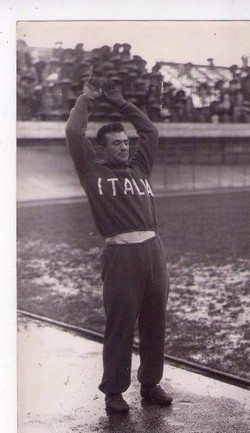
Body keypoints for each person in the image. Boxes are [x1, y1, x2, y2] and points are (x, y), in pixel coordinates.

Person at [65, 77, 172, 413]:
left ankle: (151, 383)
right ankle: (114, 391)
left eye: (125, 142)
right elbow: (72, 133)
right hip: (121, 254)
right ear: (102, 148)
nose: (124, 147)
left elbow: (150, 132)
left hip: (154, 251)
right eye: (116, 143)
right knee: (121, 323)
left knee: (155, 321)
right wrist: (87, 98)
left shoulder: (140, 167)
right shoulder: (92, 171)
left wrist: (124, 104)